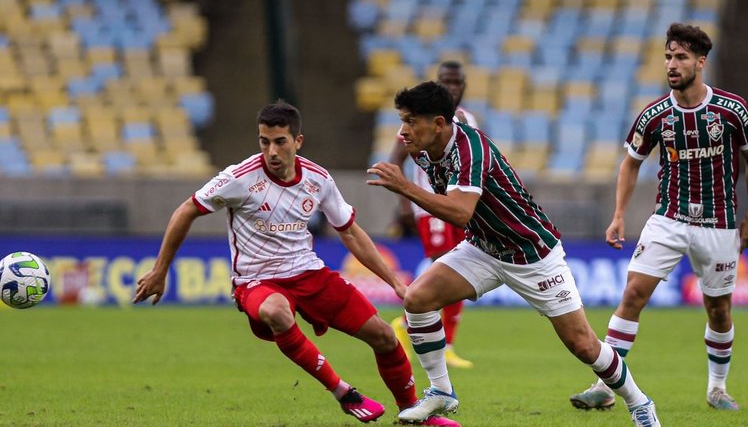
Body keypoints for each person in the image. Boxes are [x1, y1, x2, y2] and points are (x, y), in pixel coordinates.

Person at [133, 101, 460, 427]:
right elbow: (186, 210)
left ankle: (413, 416)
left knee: (384, 336)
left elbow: (350, 232)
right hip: (257, 281)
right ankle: (344, 392)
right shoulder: (239, 178)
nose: (271, 151)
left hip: (309, 273)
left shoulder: (317, 179)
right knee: (277, 312)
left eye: (280, 142)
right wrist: (161, 270)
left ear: (297, 141)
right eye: (264, 141)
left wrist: (395, 282)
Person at [367, 82, 662, 427]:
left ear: (438, 124)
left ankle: (640, 404)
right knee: (417, 299)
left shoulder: (470, 149)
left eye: (411, 121)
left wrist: (405, 187)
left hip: (533, 254)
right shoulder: (422, 149)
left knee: (583, 345)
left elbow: (460, 212)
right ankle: (441, 391)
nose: (403, 131)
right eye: (402, 120)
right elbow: (464, 217)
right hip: (483, 248)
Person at [569, 23, 748, 413]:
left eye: (680, 57)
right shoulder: (655, 115)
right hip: (668, 220)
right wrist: (619, 215)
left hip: (719, 223)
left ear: (700, 62)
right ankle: (605, 386)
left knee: (719, 309)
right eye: (668, 57)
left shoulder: (731, 108)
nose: (672, 65)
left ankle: (717, 389)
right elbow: (630, 164)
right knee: (633, 295)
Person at [389, 60, 477, 369]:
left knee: (460, 270)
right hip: (431, 208)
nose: (453, 87)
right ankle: (406, 322)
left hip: (460, 205)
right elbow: (395, 159)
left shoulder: (469, 120)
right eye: (446, 82)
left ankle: (446, 342)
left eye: (457, 82)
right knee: (445, 263)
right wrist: (404, 205)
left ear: (464, 85)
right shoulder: (420, 122)